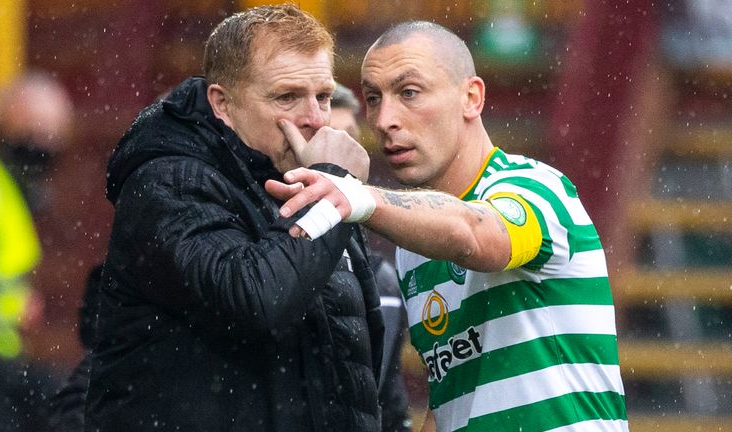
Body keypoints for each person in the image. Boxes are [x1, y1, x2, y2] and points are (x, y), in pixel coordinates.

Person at [266, 21, 629, 432]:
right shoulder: (412, 247)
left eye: (409, 93)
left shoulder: (536, 188)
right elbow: (455, 401)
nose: (384, 119)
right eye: (373, 98)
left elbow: (476, 234)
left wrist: (361, 196)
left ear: (471, 97)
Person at [85, 5, 384, 431]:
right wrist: (334, 184)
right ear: (222, 103)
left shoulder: (311, 182)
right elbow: (258, 302)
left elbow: (359, 364)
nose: (316, 118)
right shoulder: (169, 180)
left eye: (322, 96)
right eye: (287, 97)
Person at [0, 71, 72, 431]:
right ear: (2, 126)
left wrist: (17, 305)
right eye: (31, 134)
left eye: (51, 137)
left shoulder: (1, 186)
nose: (41, 147)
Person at [331, 83, 412, 432]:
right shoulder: (263, 266)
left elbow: (389, 404)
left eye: (350, 137)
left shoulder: (385, 282)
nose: (341, 153)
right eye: (327, 139)